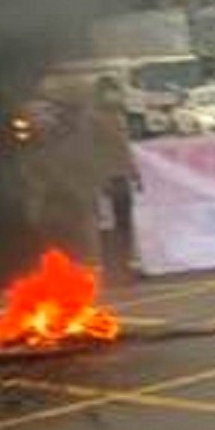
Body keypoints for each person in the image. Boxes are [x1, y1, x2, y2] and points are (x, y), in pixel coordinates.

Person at [90, 76, 140, 283]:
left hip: (122, 177)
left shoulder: (119, 115)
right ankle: (112, 269)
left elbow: (124, 148)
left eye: (115, 91)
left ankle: (125, 265)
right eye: (110, 91)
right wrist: (98, 179)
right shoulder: (92, 118)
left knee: (124, 224)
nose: (114, 96)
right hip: (105, 180)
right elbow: (89, 152)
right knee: (108, 227)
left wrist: (134, 173)